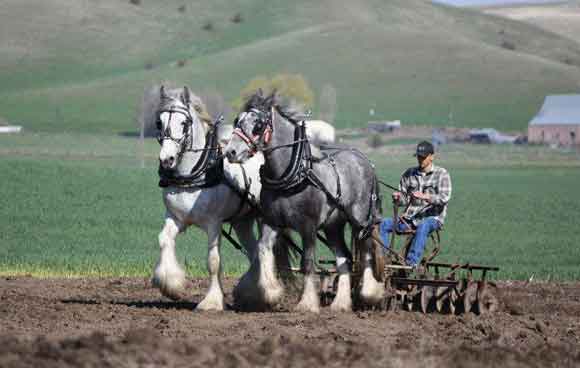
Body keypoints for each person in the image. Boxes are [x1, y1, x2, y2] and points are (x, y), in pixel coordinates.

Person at [379, 140, 452, 268]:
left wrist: (425, 196)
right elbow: (404, 199)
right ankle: (382, 259)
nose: (420, 160)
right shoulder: (409, 174)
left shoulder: (442, 174)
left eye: (423, 157)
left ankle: (411, 263)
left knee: (423, 226)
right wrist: (398, 198)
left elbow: (444, 198)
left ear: (431, 157)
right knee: (383, 224)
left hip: (432, 218)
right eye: (419, 157)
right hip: (410, 219)